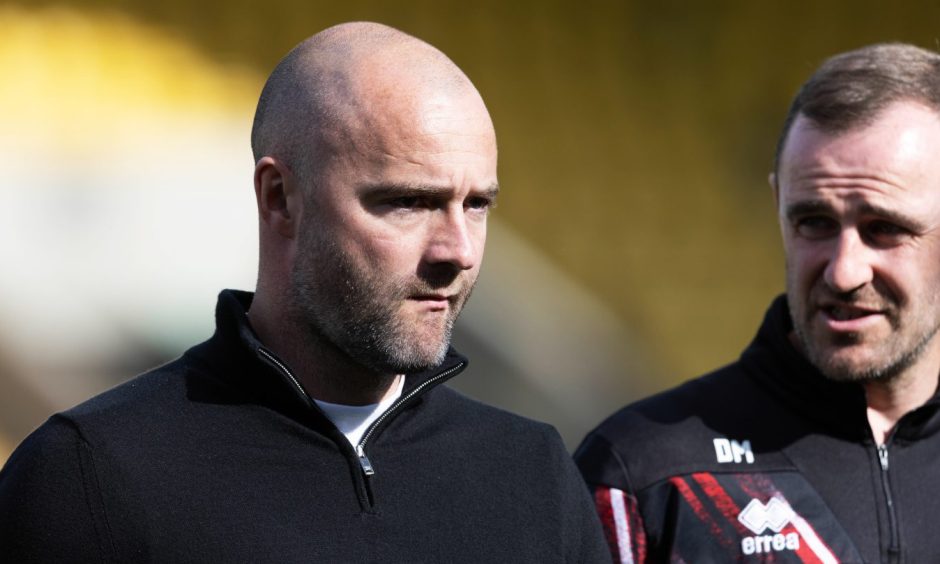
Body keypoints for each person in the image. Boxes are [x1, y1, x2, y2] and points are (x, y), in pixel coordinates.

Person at [0, 22, 608, 562]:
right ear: (279, 198)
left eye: (476, 205)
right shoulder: (89, 475)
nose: (460, 251)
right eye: (407, 201)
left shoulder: (533, 473)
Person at [576, 42, 940, 563]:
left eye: (884, 229)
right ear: (778, 207)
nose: (844, 271)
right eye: (814, 222)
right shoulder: (643, 473)